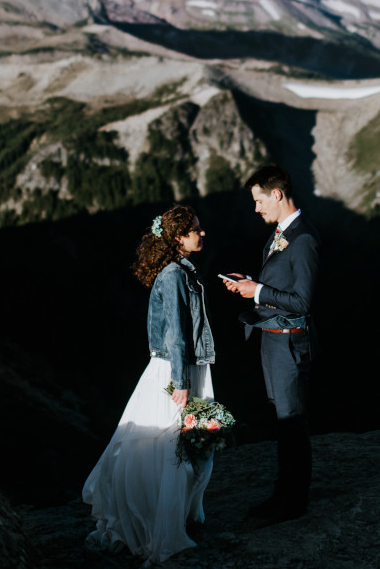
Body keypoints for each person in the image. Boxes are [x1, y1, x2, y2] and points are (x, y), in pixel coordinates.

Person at [83, 204, 217, 564]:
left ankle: (176, 515)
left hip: (182, 367)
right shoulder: (174, 275)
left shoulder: (179, 270)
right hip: (177, 370)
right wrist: (181, 382)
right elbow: (176, 332)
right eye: (195, 229)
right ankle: (162, 526)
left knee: (187, 443)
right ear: (177, 238)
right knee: (175, 446)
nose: (202, 233)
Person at [223, 164, 319, 521]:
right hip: (274, 341)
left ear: (276, 195)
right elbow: (284, 286)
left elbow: (304, 302)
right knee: (284, 421)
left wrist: (258, 290)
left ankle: (293, 504)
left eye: (259, 200)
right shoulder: (282, 233)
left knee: (292, 422)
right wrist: (252, 284)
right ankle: (284, 494)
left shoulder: (304, 239)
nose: (256, 208)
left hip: (290, 344)